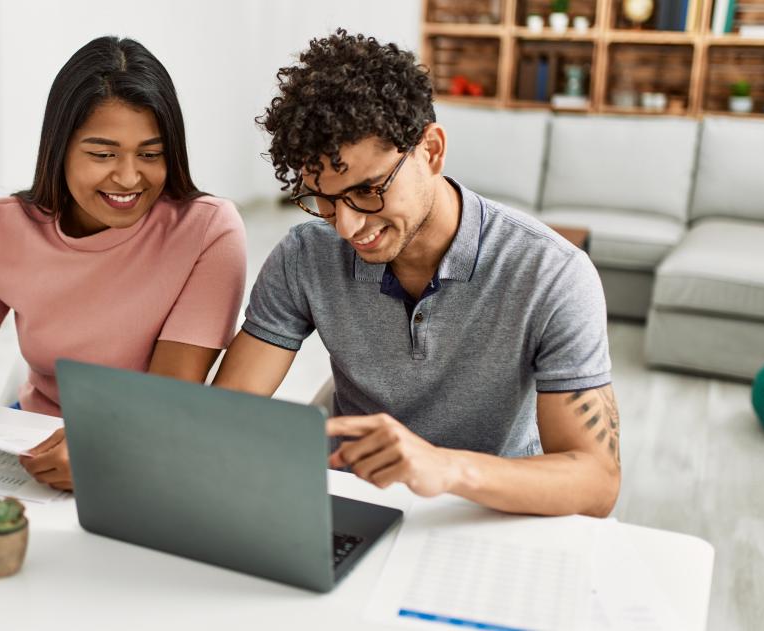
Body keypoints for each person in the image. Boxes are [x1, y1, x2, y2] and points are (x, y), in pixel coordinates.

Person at [213, 30, 619, 517]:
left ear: (431, 150)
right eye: (322, 197)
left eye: (368, 190)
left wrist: (444, 468)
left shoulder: (552, 274)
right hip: (355, 503)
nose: (346, 225)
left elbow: (596, 483)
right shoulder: (305, 256)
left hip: (491, 513)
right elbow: (224, 415)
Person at [0, 36, 246, 491]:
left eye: (151, 154)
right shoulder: (6, 229)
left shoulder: (208, 232)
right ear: (60, 148)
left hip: (144, 442)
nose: (130, 177)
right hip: (33, 443)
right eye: (102, 154)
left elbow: (168, 396)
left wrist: (103, 451)